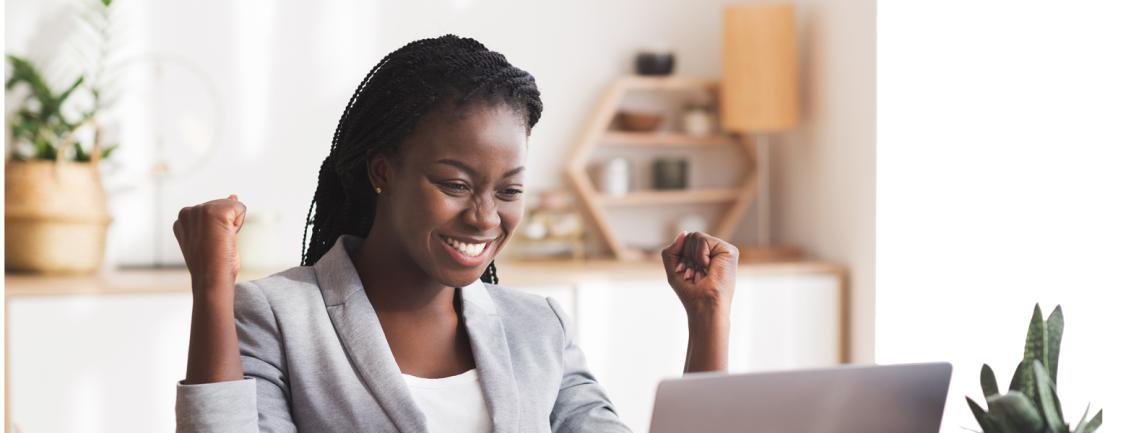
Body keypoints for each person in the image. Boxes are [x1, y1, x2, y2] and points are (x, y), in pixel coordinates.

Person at [171, 35, 739, 433]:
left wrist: (708, 319)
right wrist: (212, 289)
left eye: (509, 191)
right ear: (382, 171)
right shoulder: (278, 316)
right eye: (455, 183)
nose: (486, 218)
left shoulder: (538, 328)